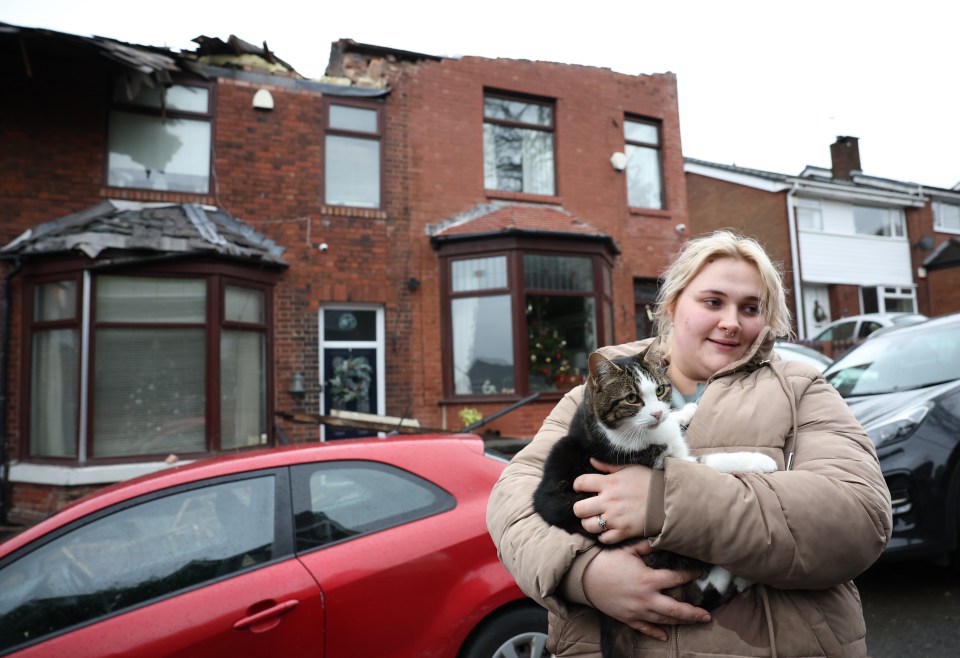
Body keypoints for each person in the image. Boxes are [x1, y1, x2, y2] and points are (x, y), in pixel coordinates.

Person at [486, 229, 892, 657]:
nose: (732, 321)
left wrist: (667, 500)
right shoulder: (599, 393)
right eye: (713, 302)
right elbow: (511, 502)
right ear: (672, 304)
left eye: (751, 308)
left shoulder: (801, 387)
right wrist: (584, 575)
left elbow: (859, 518)